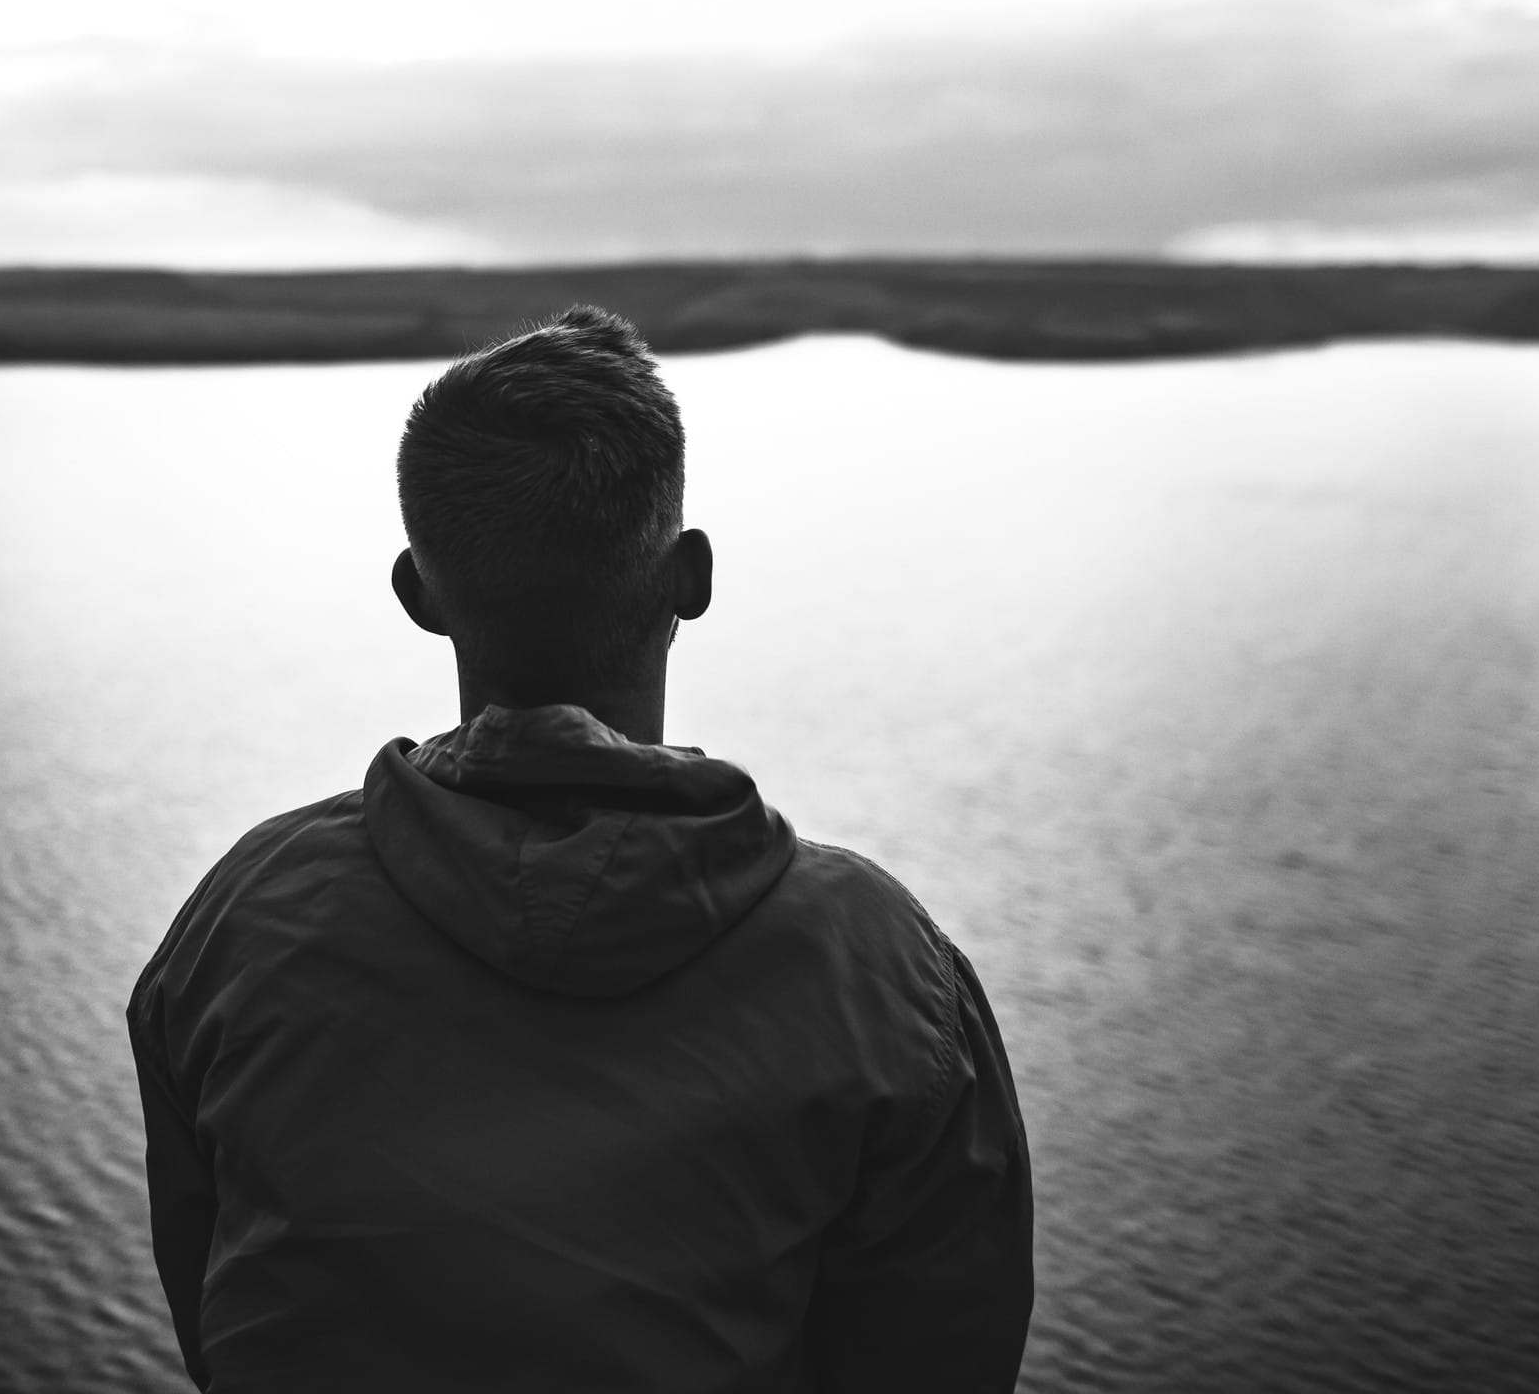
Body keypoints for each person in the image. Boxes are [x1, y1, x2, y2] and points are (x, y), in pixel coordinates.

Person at [127, 305, 1032, 1392]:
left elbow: (210, 1300)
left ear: (418, 595)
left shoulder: (239, 923)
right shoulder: (888, 974)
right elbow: (943, 1357)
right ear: (690, 576)